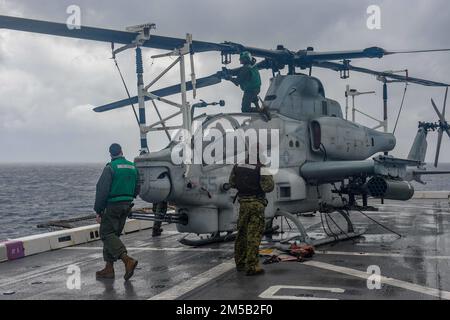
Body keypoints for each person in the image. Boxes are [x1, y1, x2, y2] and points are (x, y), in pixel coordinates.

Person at [94, 143, 140, 281]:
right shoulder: (133, 167)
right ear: (121, 151)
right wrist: (129, 197)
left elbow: (101, 190)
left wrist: (98, 210)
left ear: (111, 154)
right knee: (113, 236)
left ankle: (127, 260)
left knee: (106, 233)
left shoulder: (110, 168)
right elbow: (138, 186)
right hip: (127, 204)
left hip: (113, 204)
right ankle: (109, 268)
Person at [228, 151, 274, 276]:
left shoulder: (238, 166)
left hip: (243, 204)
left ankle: (240, 263)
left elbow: (231, 183)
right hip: (256, 204)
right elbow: (268, 187)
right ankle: (252, 266)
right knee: (253, 235)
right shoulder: (262, 167)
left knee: (241, 233)